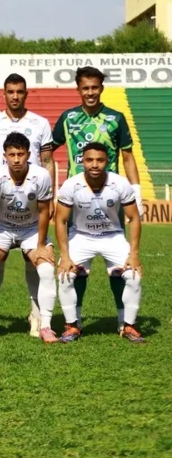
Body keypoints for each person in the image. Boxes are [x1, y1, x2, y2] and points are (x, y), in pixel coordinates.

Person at [52, 66, 143, 331]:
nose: (90, 92)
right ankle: (75, 320)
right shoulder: (68, 118)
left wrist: (135, 191)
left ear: (101, 88)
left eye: (95, 87)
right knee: (73, 263)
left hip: (111, 199)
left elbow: (127, 156)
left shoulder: (116, 117)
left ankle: (123, 319)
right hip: (77, 199)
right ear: (78, 89)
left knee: (121, 263)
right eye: (85, 87)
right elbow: (48, 149)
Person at [0, 73, 55, 336]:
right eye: (10, 91)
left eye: (19, 91)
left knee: (37, 261)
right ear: (4, 93)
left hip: (32, 213)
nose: (14, 96)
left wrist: (51, 196)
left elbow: (47, 161)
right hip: (1, 212)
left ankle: (38, 318)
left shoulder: (40, 123)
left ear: (25, 93)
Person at [54, 142, 144, 343]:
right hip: (81, 236)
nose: (94, 165)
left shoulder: (119, 183)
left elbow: (135, 218)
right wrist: (65, 256)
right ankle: (72, 325)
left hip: (112, 236)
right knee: (65, 275)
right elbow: (59, 220)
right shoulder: (71, 184)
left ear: (108, 161)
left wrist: (134, 254)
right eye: (89, 160)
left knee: (134, 276)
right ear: (82, 162)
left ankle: (128, 325)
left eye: (100, 160)